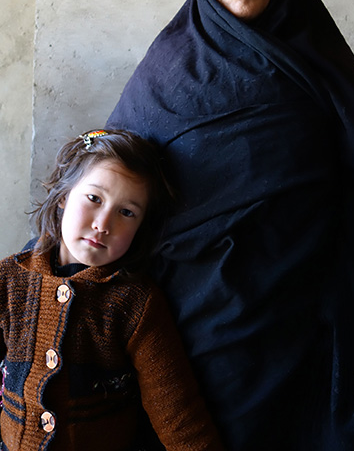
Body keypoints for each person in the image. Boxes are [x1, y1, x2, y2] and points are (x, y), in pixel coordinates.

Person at [107, 0, 354, 450]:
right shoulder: (167, 71)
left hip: (312, 329)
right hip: (190, 334)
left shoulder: (324, 59)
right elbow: (106, 185)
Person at [0, 129, 225, 451]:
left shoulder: (135, 303)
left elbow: (177, 412)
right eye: (94, 198)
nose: (103, 223)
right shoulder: (10, 279)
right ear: (64, 195)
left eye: (127, 212)